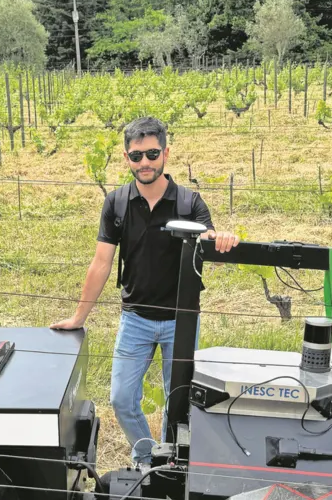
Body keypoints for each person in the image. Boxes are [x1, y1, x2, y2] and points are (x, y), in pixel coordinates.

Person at [51, 116, 239, 467]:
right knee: (121, 399)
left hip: (180, 321)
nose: (145, 163)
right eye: (136, 156)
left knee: (177, 402)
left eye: (152, 153)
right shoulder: (117, 203)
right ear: (126, 159)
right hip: (135, 318)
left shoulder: (189, 203)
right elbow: (101, 263)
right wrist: (79, 317)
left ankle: (171, 465)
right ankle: (147, 455)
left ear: (166, 152)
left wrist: (223, 240)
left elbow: (211, 246)